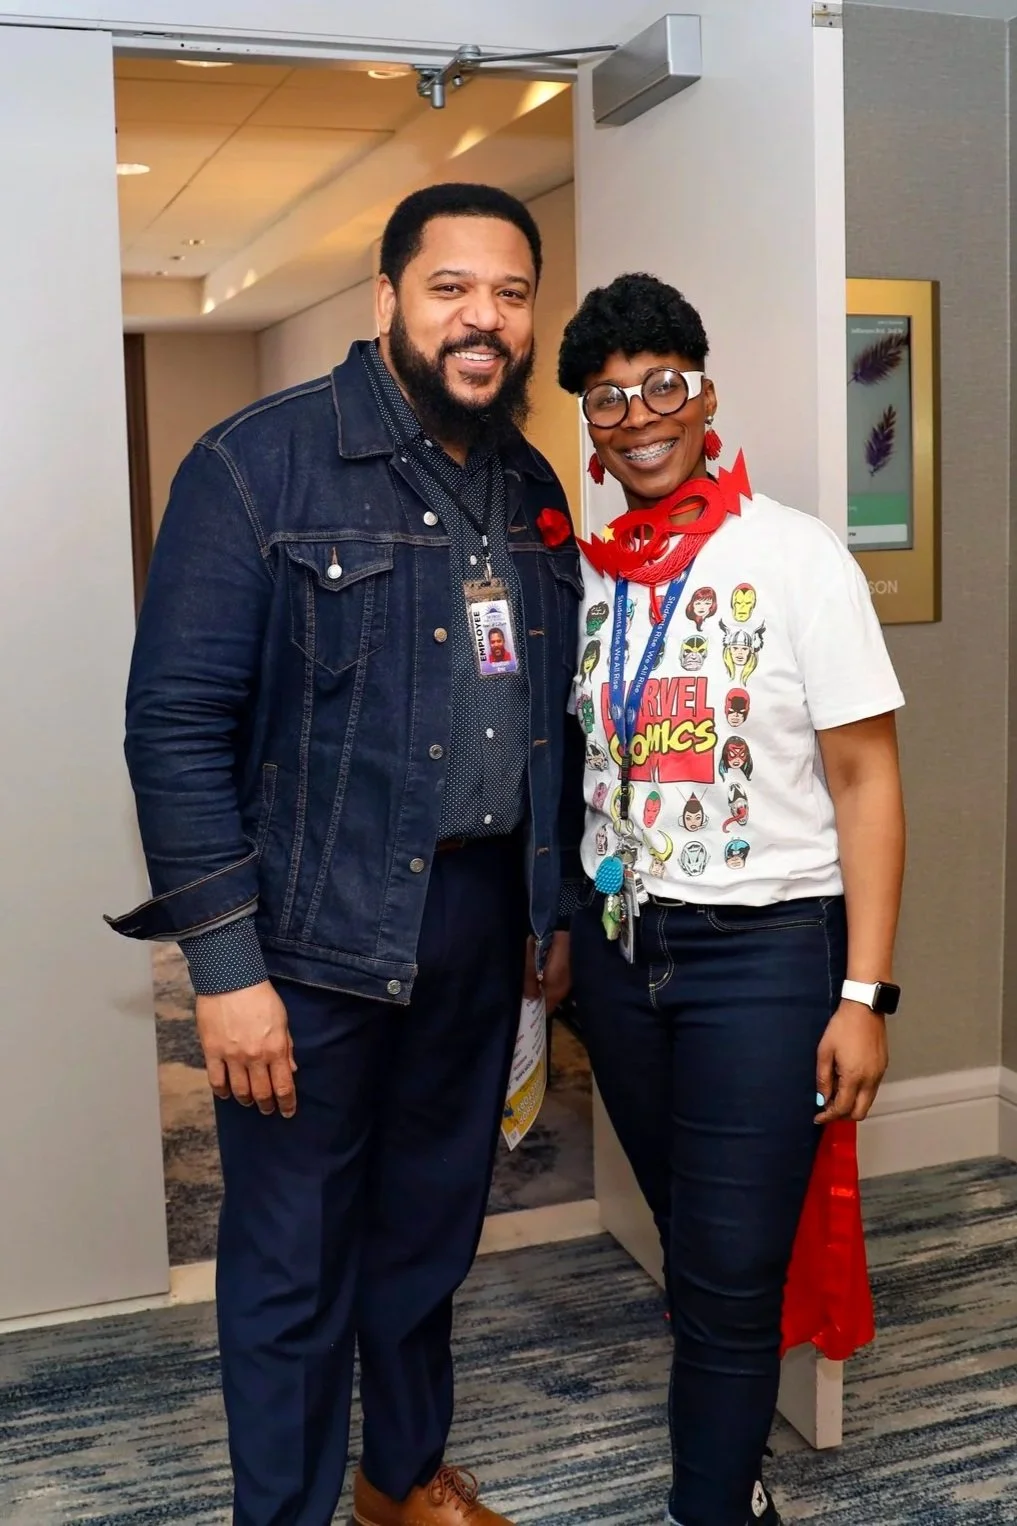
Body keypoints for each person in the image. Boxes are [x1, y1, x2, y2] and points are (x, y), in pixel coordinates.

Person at [107, 183, 584, 1526]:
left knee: (429, 1235)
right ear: (386, 300)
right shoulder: (257, 465)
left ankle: (398, 1479)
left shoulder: (530, 486)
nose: (481, 318)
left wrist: (543, 907)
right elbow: (176, 724)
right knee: (291, 1264)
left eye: (507, 291)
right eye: (450, 288)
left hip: (478, 926)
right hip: (309, 943)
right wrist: (224, 967)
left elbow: (545, 713)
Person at [557, 273, 906, 1526]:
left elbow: (867, 783)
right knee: (696, 1246)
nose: (640, 414)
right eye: (609, 399)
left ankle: (712, 1502)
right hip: (623, 958)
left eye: (662, 385)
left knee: (728, 1271)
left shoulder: (795, 554)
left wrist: (863, 992)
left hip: (765, 958)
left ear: (706, 396)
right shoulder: (592, 578)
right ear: (590, 430)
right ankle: (735, 1466)